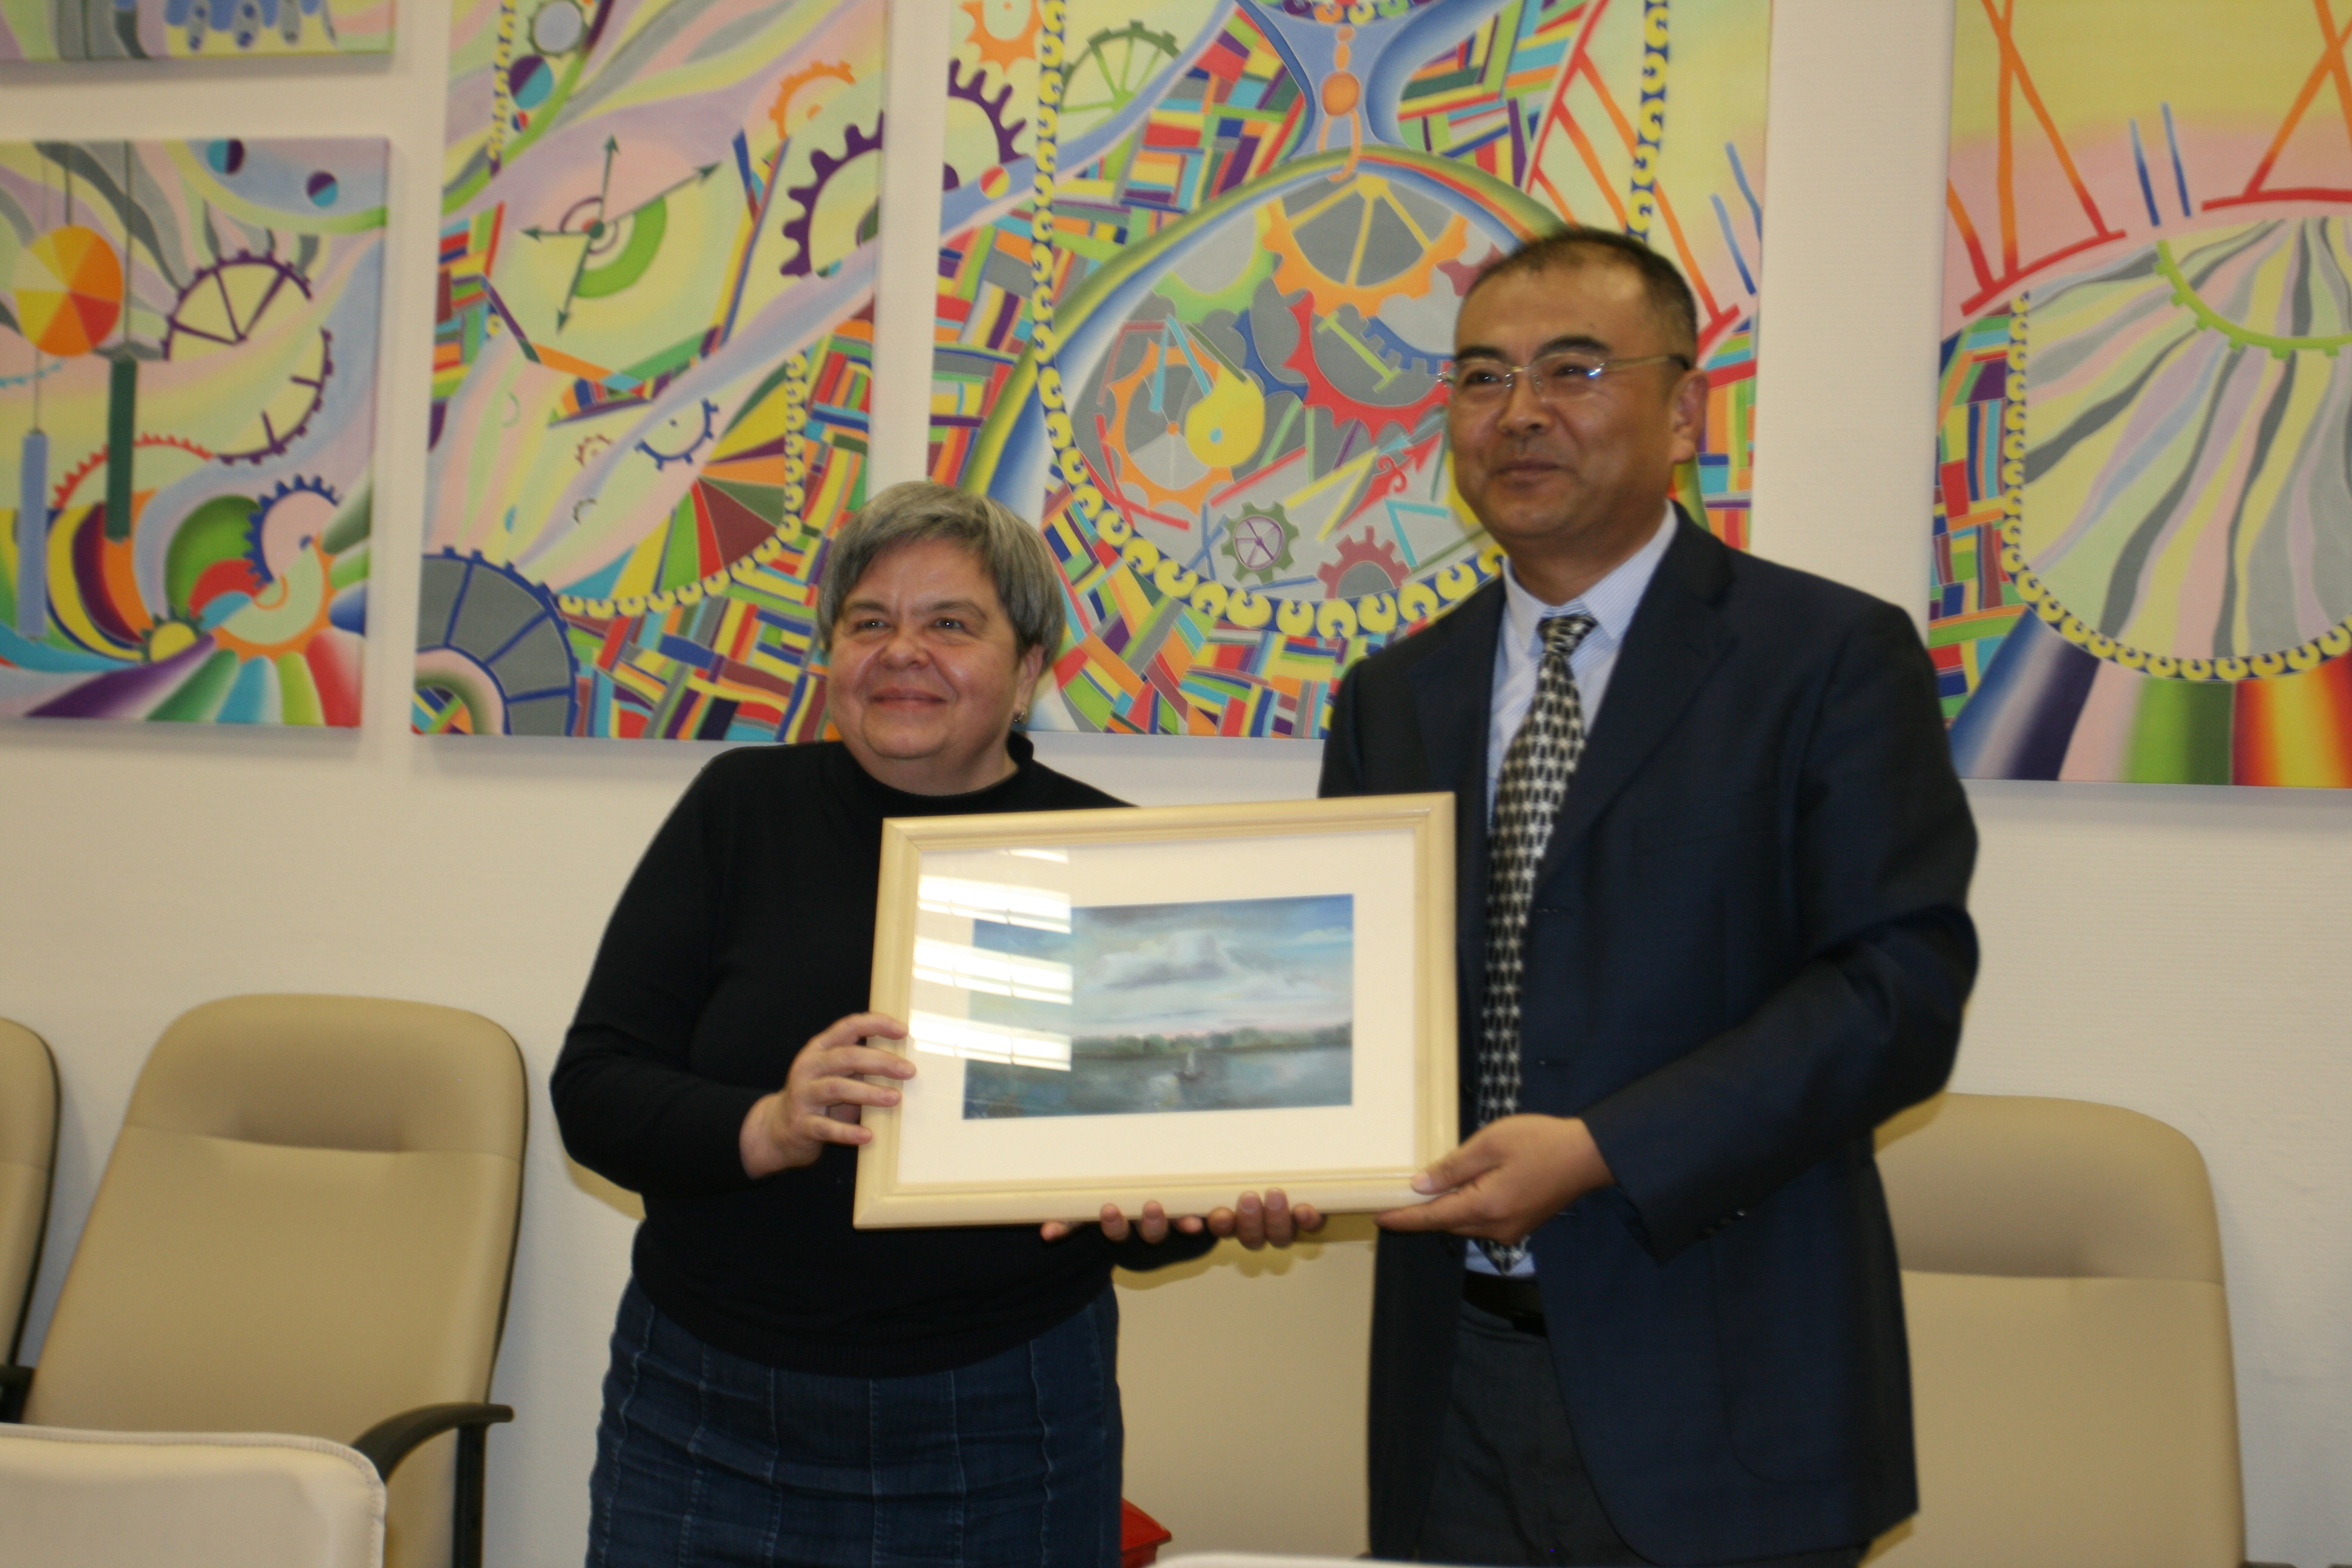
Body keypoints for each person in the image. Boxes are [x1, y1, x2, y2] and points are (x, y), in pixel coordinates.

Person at [1318, 229, 1979, 1567]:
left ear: (1685, 411)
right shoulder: (1394, 696)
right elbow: (1340, 997)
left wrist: (1605, 1149)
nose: (1520, 413)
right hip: (1453, 1390)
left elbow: (1895, 995)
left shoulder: (1829, 658)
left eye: (1573, 370)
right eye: (1483, 377)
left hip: (1726, 1383)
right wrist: (1251, 1150)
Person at [554, 481, 1313, 1568]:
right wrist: (766, 1125)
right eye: (869, 621)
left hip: (1004, 1417)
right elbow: (595, 1089)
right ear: (832, 654)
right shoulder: (740, 809)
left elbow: (1156, 1177)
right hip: (703, 1406)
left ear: (1030, 668)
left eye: (951, 624)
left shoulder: (1116, 859)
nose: (902, 651)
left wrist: (1191, 1206)